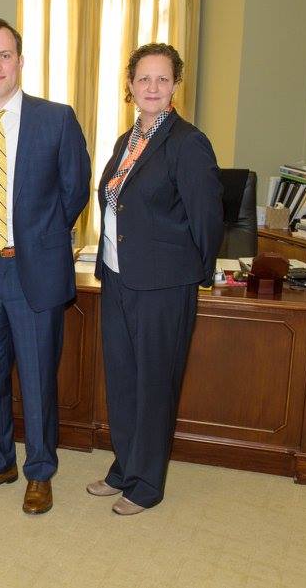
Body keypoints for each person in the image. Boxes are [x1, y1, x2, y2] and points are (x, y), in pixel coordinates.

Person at [0, 18, 91, 515]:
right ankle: (0, 462)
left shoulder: (56, 119)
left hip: (34, 273)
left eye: (4, 55)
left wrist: (39, 239)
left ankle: (40, 471)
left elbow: (74, 191)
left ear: (20, 61)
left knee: (38, 377)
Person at [89, 43, 223, 515]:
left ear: (175, 87)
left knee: (154, 384)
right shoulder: (127, 140)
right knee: (123, 379)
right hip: (120, 279)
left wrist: (195, 275)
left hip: (164, 287)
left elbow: (208, 218)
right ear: (129, 85)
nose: (152, 87)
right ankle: (125, 467)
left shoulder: (188, 143)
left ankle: (147, 483)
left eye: (162, 80)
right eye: (144, 79)